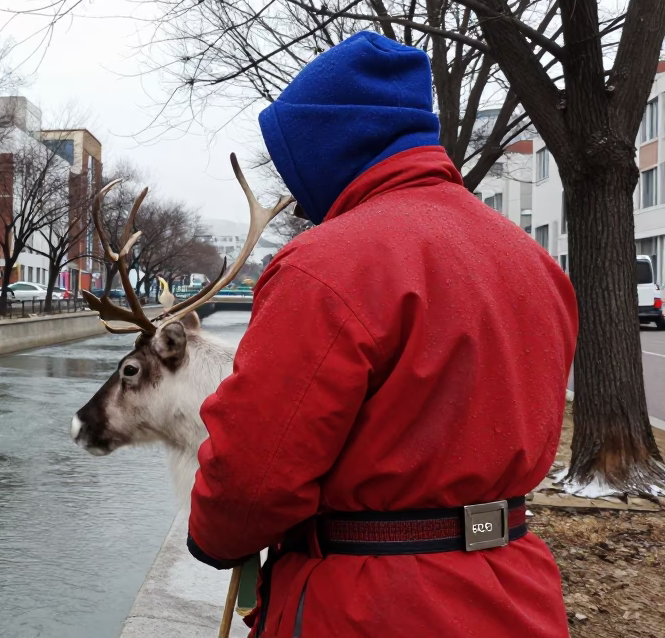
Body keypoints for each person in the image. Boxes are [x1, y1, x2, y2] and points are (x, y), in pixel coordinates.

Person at [186, 31, 577, 637]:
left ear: (329, 145)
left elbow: (252, 477)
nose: (295, 198)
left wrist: (214, 538)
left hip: (371, 606)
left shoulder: (324, 266)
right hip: (517, 591)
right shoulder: (536, 265)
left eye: (296, 160)